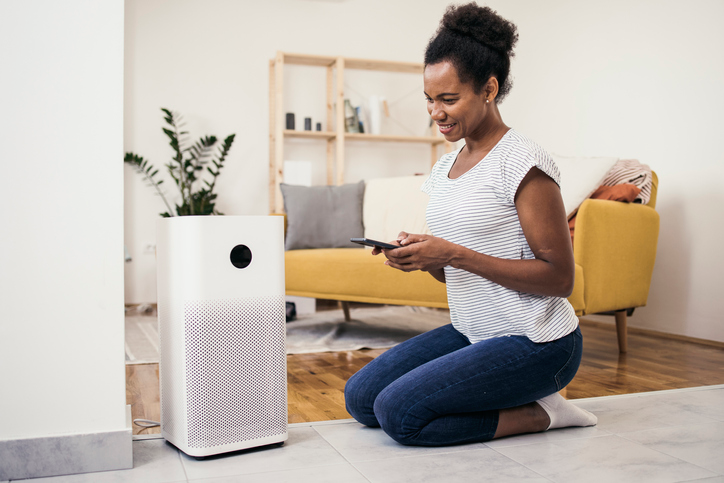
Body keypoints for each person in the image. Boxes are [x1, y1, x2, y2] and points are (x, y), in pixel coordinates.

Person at [343, 2, 597, 446]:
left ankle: (544, 413)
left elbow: (560, 280)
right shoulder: (445, 169)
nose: (435, 112)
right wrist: (422, 257)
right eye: (429, 98)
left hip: (538, 343)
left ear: (489, 89)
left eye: (448, 98)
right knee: (362, 398)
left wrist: (452, 252)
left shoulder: (524, 164)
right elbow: (457, 271)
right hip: (474, 331)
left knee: (399, 415)